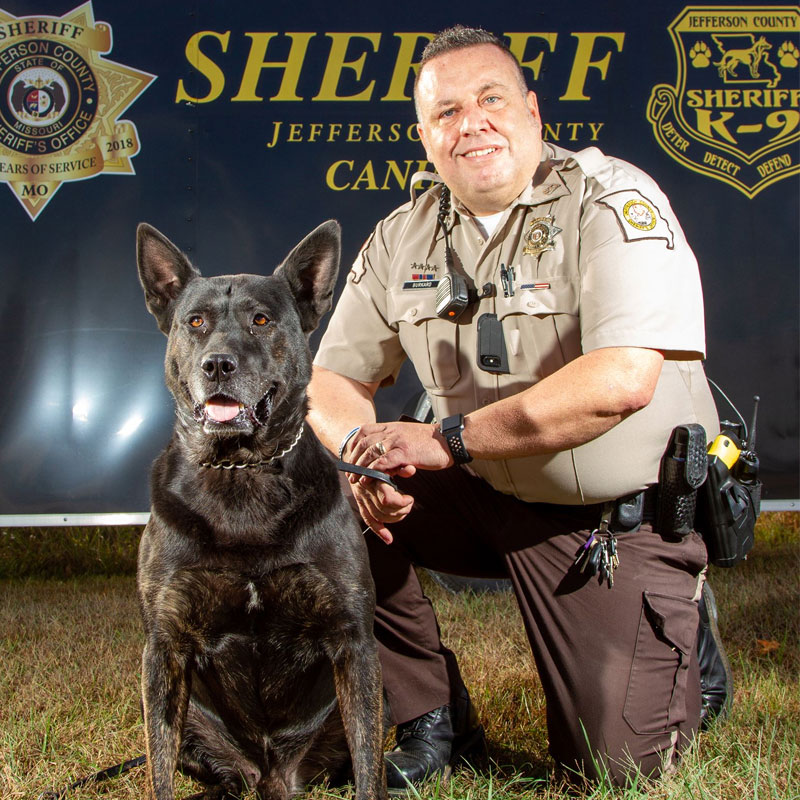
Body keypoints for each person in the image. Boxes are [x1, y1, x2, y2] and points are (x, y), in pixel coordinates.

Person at [307, 25, 727, 788]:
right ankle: (431, 717)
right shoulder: (403, 237)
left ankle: (681, 624)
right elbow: (329, 383)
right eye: (447, 112)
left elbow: (622, 380)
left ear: (534, 111)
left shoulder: (612, 199)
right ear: (426, 137)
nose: (472, 123)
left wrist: (448, 439)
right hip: (488, 490)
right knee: (325, 497)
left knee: (610, 770)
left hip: (606, 516)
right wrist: (361, 455)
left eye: (490, 98)